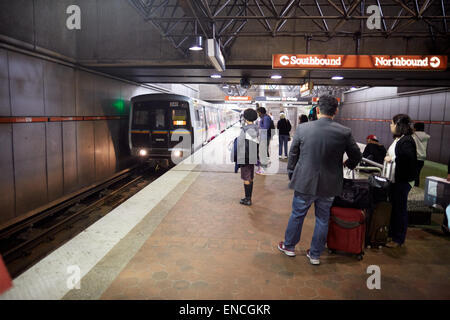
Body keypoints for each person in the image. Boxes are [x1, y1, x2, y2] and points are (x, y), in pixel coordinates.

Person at [277, 95, 362, 265]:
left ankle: (289, 246)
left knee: (297, 214)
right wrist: (348, 164)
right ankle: (315, 254)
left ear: (317, 110)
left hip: (304, 181)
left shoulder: (303, 129)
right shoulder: (344, 132)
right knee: (323, 219)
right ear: (336, 111)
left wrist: (291, 173)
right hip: (329, 184)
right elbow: (356, 155)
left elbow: (293, 153)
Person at [384, 114, 417, 248]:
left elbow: (407, 157)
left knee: (399, 210)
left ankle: (398, 239)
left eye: (392, 123)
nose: (390, 126)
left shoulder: (407, 140)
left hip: (402, 182)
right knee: (394, 208)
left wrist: (392, 159)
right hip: (395, 180)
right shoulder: (400, 139)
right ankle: (392, 235)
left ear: (399, 125)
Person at [236, 108, 260, 206]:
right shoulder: (257, 128)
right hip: (253, 155)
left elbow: (240, 143)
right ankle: (249, 197)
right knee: (250, 176)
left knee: (246, 177)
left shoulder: (244, 129)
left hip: (245, 156)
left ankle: (247, 199)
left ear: (245, 118)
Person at [412, 122, 430, 187]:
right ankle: (416, 187)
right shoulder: (425, 136)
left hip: (415, 158)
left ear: (415, 128)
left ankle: (412, 188)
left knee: (412, 175)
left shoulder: (413, 136)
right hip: (422, 159)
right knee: (417, 175)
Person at [256, 106, 271, 174]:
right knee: (262, 152)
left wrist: (259, 127)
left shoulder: (266, 118)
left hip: (265, 137)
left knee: (263, 153)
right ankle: (263, 167)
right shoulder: (264, 118)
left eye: (258, 112)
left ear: (261, 112)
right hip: (263, 137)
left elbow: (265, 128)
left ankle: (263, 168)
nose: (258, 114)